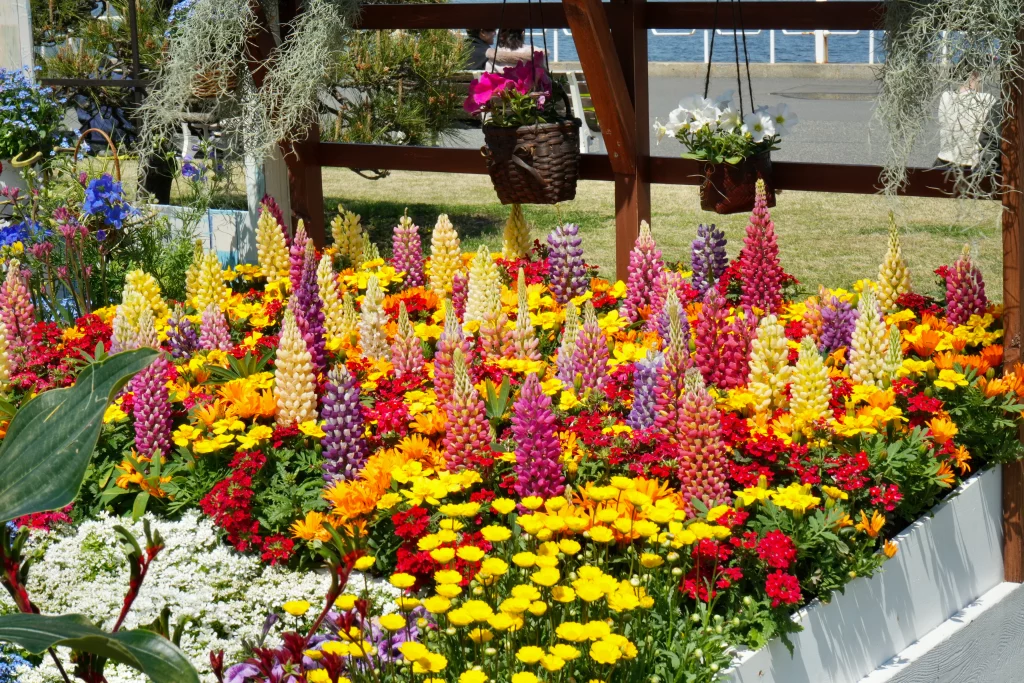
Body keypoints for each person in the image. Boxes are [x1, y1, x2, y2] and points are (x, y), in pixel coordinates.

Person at [935, 70, 997, 170]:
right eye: (981, 79)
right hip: (969, 167)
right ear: (975, 75)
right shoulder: (986, 99)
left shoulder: (945, 96)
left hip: (942, 163)